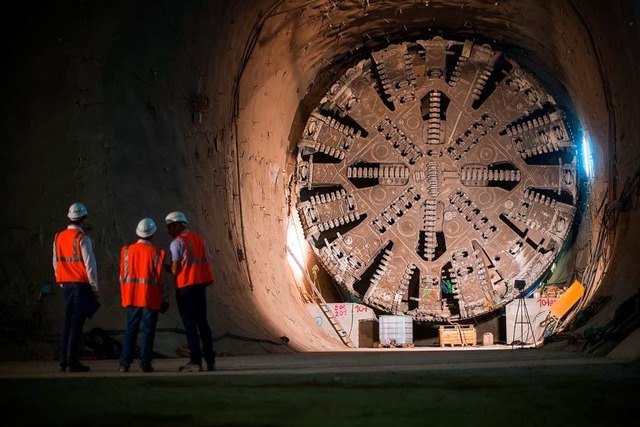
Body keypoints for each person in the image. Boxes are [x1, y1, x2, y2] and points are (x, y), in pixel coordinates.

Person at [165, 211, 215, 372]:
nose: (168, 231)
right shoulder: (200, 240)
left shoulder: (177, 243)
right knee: (203, 323)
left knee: (190, 325)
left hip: (185, 288)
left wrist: (162, 267)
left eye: (170, 227)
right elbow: (207, 259)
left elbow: (175, 269)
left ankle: (195, 361)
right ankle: (210, 361)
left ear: (179, 225)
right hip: (200, 286)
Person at [53, 202, 99, 372]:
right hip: (81, 285)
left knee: (67, 322)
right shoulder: (82, 238)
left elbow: (55, 262)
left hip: (66, 285)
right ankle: (72, 361)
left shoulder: (58, 237)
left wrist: (61, 282)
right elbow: (90, 266)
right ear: (83, 219)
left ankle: (63, 360)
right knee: (76, 324)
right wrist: (94, 288)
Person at [118, 218, 168, 373]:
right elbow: (161, 280)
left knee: (131, 329)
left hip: (132, 296)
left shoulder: (126, 251)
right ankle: (145, 364)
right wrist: (162, 298)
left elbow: (122, 276)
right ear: (152, 234)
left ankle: (124, 364)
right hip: (149, 297)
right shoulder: (158, 253)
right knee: (148, 331)